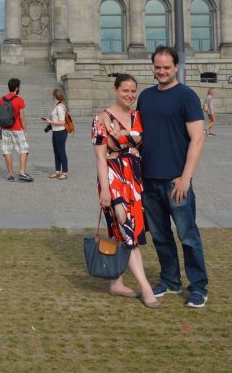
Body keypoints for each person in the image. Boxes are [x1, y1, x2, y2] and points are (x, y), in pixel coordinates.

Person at [137, 46, 209, 308]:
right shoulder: (145, 97)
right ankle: (170, 280)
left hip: (176, 181)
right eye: (158, 67)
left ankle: (199, 286)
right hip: (149, 179)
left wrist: (185, 178)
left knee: (188, 235)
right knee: (160, 236)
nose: (162, 71)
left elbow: (198, 138)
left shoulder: (186, 96)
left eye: (166, 67)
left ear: (176, 67)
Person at [91, 73, 160, 309]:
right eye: (125, 91)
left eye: (133, 91)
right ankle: (146, 287)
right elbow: (100, 156)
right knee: (129, 232)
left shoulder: (137, 115)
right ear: (114, 90)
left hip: (135, 179)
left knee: (121, 230)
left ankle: (116, 283)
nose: (129, 95)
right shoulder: (101, 119)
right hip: (113, 178)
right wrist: (105, 190)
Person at [0, 78, 32, 182]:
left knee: (7, 151)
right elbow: (22, 117)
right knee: (24, 149)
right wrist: (25, 130)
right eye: (19, 87)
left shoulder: (1, 99)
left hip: (5, 129)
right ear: (16, 88)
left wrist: (0, 130)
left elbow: (1, 116)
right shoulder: (19, 100)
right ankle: (22, 173)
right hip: (17, 129)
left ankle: (10, 175)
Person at [44, 88, 69, 180]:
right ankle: (57, 171)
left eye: (52, 95)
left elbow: (62, 122)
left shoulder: (59, 107)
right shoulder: (57, 106)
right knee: (56, 152)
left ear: (55, 96)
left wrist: (50, 122)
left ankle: (65, 172)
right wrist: (50, 122)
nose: (52, 96)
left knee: (61, 152)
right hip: (55, 131)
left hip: (61, 132)